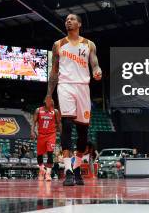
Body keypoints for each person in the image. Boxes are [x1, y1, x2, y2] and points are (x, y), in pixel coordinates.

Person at [46, 13, 102, 186]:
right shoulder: (58, 45)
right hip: (65, 86)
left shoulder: (89, 44)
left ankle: (78, 168)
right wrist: (49, 94)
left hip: (83, 88)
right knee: (67, 125)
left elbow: (94, 63)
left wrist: (97, 70)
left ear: (79, 23)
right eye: (66, 20)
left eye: (71, 19)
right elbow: (54, 71)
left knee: (83, 132)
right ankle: (68, 170)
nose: (68, 21)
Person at [31, 96, 61, 181]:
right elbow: (33, 122)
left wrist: (62, 133)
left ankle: (48, 174)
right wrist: (32, 131)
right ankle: (41, 169)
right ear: (45, 101)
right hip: (41, 135)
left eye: (52, 100)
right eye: (49, 100)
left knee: (50, 153)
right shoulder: (38, 110)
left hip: (51, 135)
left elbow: (59, 123)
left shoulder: (55, 111)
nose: (51, 101)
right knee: (39, 155)